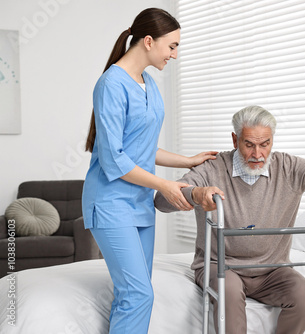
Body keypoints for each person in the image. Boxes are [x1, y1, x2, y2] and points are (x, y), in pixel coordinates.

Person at [155, 105, 305, 334]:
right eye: (249, 144)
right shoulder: (211, 168)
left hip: (271, 270)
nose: (258, 154)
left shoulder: (288, 167)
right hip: (219, 266)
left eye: (264, 144)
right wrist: (195, 194)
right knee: (229, 292)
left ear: (272, 141)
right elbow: (161, 201)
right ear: (235, 140)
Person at [81, 8, 217, 334]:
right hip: (111, 204)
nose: (174, 54)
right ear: (147, 41)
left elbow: (143, 150)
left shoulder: (149, 86)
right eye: (172, 46)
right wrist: (166, 186)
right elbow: (115, 159)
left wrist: (188, 160)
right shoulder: (111, 85)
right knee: (138, 293)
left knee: (137, 293)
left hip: (140, 205)